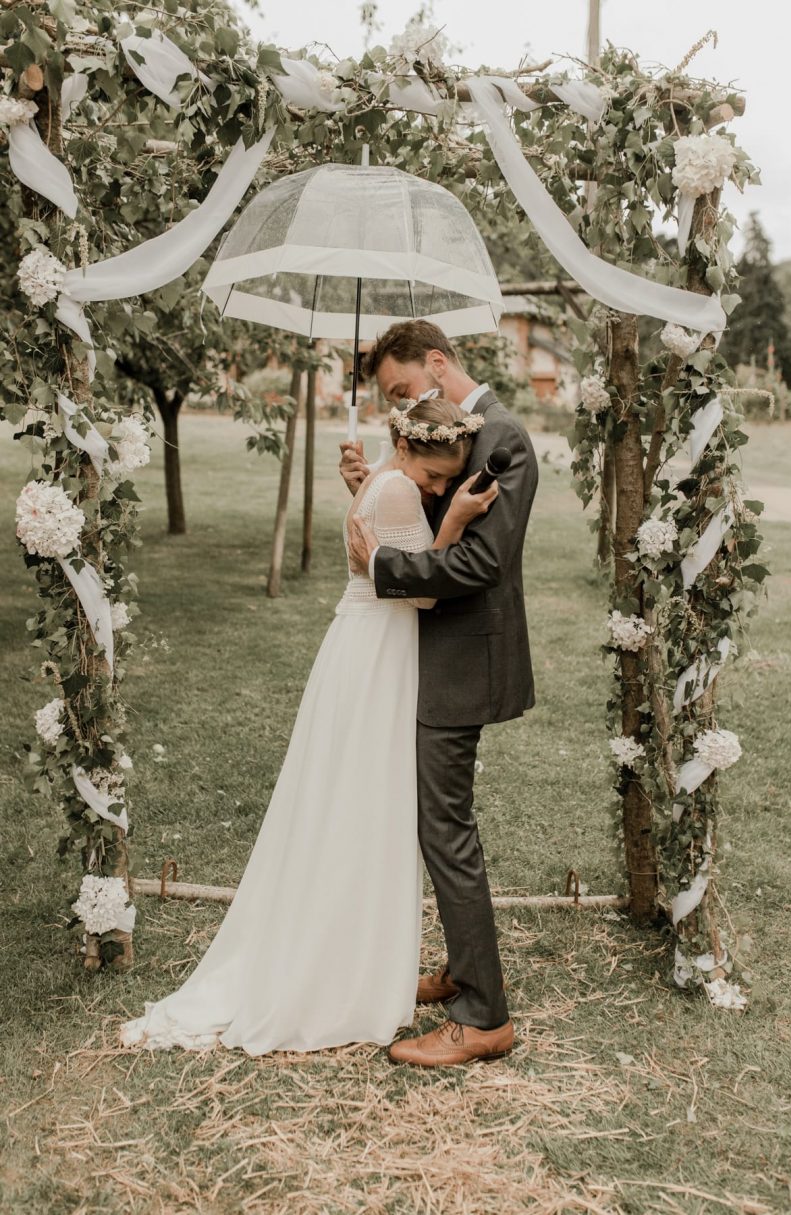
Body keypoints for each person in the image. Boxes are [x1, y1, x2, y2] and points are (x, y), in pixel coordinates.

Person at [118, 395, 497, 1055]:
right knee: (361, 803)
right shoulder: (402, 491)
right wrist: (456, 521)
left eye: (447, 482)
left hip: (365, 648)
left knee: (347, 800)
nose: (440, 488)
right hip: (378, 651)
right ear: (409, 450)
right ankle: (342, 966)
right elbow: (422, 591)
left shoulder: (385, 475)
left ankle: (353, 957)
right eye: (437, 476)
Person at [342, 319, 538, 1068]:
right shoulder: (451, 440)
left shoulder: (505, 439)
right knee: (436, 823)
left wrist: (385, 566)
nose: (401, 406)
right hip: (432, 654)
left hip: (463, 660)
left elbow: (480, 562)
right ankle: (462, 969)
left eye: (402, 390)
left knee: (445, 828)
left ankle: (484, 1014)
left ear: (436, 363)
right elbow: (432, 520)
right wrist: (384, 492)